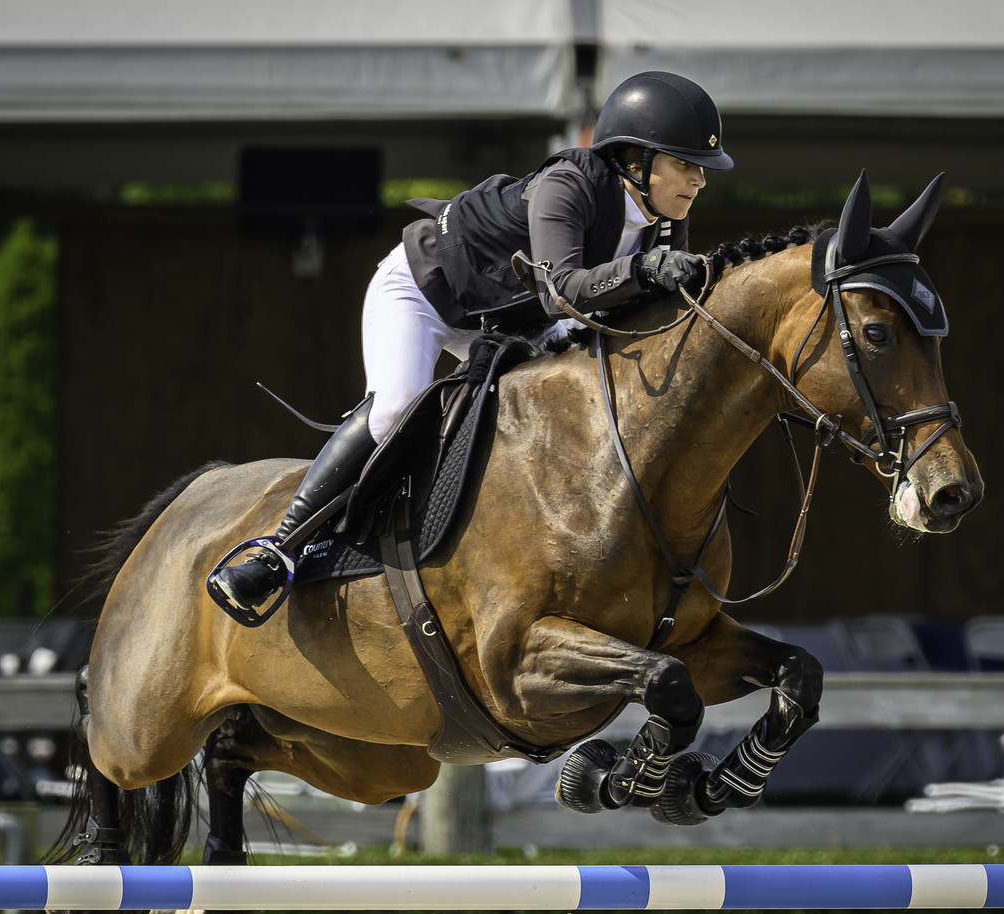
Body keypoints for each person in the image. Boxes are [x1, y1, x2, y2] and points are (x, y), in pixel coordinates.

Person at [210, 71, 734, 617]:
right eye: (685, 163)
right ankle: (279, 549)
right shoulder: (570, 183)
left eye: (701, 168)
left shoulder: (662, 217)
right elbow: (560, 289)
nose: (699, 180)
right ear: (635, 159)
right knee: (395, 408)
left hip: (512, 321)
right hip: (425, 291)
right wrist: (643, 267)